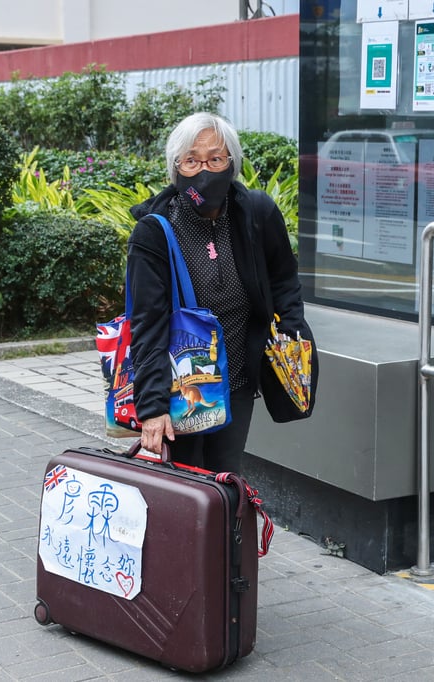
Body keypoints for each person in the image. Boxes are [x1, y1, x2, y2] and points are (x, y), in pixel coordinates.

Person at [126, 112, 306, 473]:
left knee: (225, 478)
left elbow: (283, 279)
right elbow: (146, 323)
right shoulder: (154, 233)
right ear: (176, 168)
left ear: (232, 164)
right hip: (178, 387)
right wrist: (152, 407)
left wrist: (291, 334)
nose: (204, 171)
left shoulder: (256, 214)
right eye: (191, 161)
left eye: (216, 159)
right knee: (183, 482)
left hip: (236, 382)